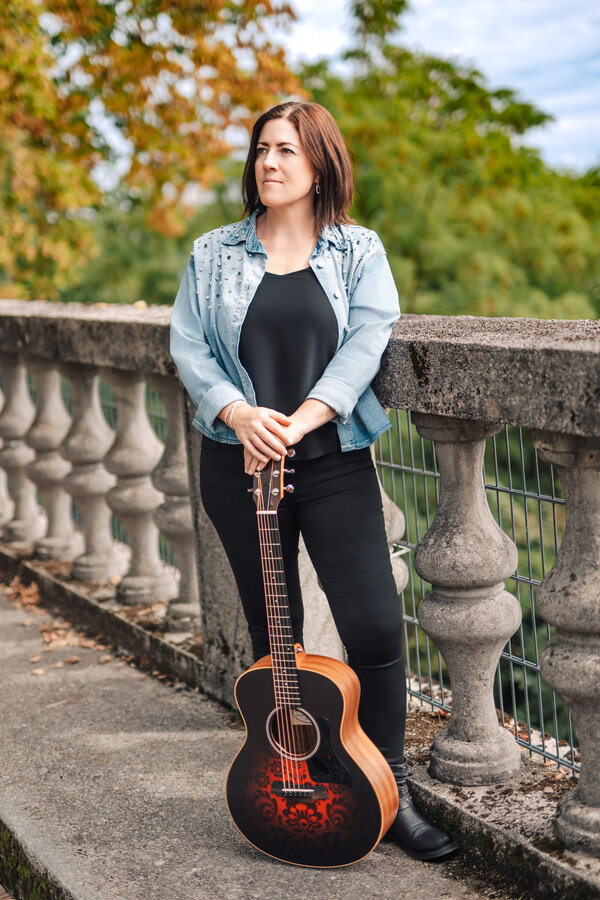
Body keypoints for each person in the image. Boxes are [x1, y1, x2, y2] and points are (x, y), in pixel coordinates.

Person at [170, 100, 457, 861]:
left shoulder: (358, 251)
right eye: (261, 149)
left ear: (320, 164)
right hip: (238, 468)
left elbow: (368, 339)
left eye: (286, 151)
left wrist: (301, 419)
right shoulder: (212, 255)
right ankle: (318, 777)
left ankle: (389, 792)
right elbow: (190, 348)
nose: (268, 163)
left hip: (330, 461)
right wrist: (236, 413)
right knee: (279, 642)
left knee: (373, 628)